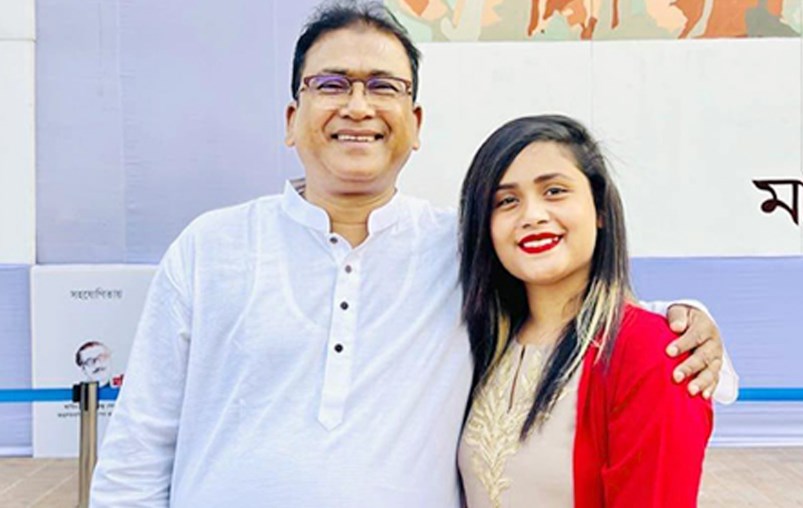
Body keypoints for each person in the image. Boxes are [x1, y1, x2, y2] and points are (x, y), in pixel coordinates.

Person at [90, 2, 736, 507]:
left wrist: (690, 324)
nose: (358, 106)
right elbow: (140, 446)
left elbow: (567, 306)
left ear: (416, 123)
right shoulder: (211, 248)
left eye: (384, 86)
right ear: (291, 119)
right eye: (331, 84)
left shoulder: (460, 249)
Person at [458, 114, 712, 507]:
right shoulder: (478, 344)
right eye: (506, 201)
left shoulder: (653, 352)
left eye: (554, 191)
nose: (532, 216)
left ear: (600, 209)